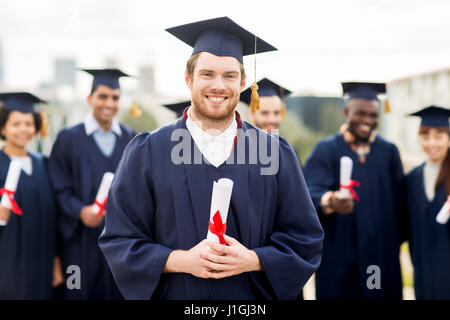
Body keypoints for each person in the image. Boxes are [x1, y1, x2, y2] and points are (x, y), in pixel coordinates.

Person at [99, 16, 324, 300]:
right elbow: (120, 239)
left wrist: (253, 259)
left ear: (243, 82)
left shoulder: (274, 152)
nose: (219, 85)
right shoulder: (148, 151)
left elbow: (305, 239)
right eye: (207, 74)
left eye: (229, 75)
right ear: (188, 78)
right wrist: (182, 260)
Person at [303, 82, 404, 300]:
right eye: (360, 113)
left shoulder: (388, 152)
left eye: (373, 115)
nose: (367, 121)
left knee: (377, 293)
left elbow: (400, 204)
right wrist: (330, 201)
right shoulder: (326, 149)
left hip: (379, 259)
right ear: (347, 111)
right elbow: (308, 193)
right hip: (339, 257)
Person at [48, 69, 136, 299]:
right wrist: (79, 210)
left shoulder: (131, 139)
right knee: (78, 291)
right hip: (79, 242)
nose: (109, 103)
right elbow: (58, 187)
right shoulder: (68, 139)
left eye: (115, 98)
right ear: (90, 99)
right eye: (103, 96)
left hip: (118, 243)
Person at [0, 92, 63, 299]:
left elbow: (53, 217)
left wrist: (55, 262)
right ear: (3, 128)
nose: (23, 129)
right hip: (7, 260)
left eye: (28, 123)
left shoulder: (44, 164)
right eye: (16, 123)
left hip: (41, 258)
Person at [405, 106, 450, 299]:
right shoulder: (412, 178)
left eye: (438, 136)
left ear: (448, 138)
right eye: (425, 136)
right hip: (424, 272)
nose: (431, 142)